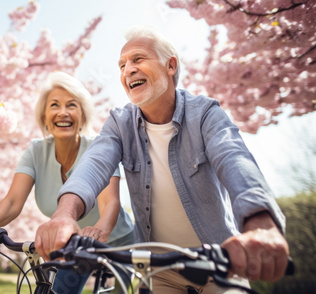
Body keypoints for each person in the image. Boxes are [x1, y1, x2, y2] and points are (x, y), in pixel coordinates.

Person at [34, 26, 290, 293]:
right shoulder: (119, 123)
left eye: (138, 59)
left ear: (170, 66)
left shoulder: (205, 114)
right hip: (159, 271)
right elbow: (94, 165)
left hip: (219, 264)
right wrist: (64, 215)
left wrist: (260, 222)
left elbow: (234, 158)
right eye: (121, 65)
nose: (127, 70)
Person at [0, 71, 134, 294]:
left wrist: (100, 230)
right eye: (54, 105)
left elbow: (110, 202)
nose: (63, 112)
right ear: (44, 117)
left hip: (120, 240)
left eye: (72, 105)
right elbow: (13, 201)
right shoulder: (35, 151)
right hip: (75, 244)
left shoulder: (98, 148)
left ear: (83, 116)